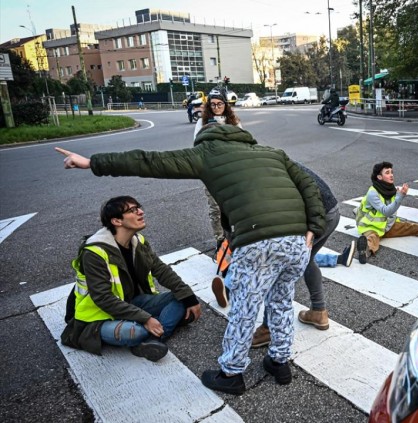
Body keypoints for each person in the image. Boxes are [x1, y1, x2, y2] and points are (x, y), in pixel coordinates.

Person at [55, 122, 327, 396]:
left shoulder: (207, 152)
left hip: (258, 242)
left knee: (244, 309)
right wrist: (314, 226)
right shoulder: (272, 153)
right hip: (296, 242)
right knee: (281, 301)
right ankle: (279, 363)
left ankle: (231, 374)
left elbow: (149, 162)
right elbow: (308, 183)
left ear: (204, 139)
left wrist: (91, 163)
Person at [61, 196, 202, 363]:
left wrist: (189, 297)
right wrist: (146, 319)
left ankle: (154, 339)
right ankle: (157, 329)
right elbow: (103, 298)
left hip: (131, 303)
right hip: (98, 317)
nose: (141, 212)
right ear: (116, 221)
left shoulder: (138, 241)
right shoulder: (94, 252)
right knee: (136, 332)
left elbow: (161, 270)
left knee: (182, 298)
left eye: (139, 208)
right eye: (132, 210)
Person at [247, 162, 350, 348]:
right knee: (308, 260)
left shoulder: (258, 172)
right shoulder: (271, 159)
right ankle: (318, 311)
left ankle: (268, 329)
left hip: (315, 215)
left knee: (280, 268)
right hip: (331, 211)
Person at [355, 162, 418, 264]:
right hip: (371, 226)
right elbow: (386, 211)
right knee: (372, 239)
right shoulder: (372, 192)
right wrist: (400, 197)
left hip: (388, 225)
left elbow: (392, 211)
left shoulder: (390, 189)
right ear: (379, 177)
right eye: (387, 173)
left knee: (411, 227)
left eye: (391, 172)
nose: (391, 175)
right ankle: (364, 252)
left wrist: (398, 196)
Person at [193, 89, 243, 247]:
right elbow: (197, 144)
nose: (216, 107)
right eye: (213, 104)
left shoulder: (233, 121)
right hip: (212, 172)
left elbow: (243, 141)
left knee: (234, 206)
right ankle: (220, 240)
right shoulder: (202, 122)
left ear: (225, 104)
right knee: (215, 208)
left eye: (219, 104)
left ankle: (236, 237)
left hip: (232, 171)